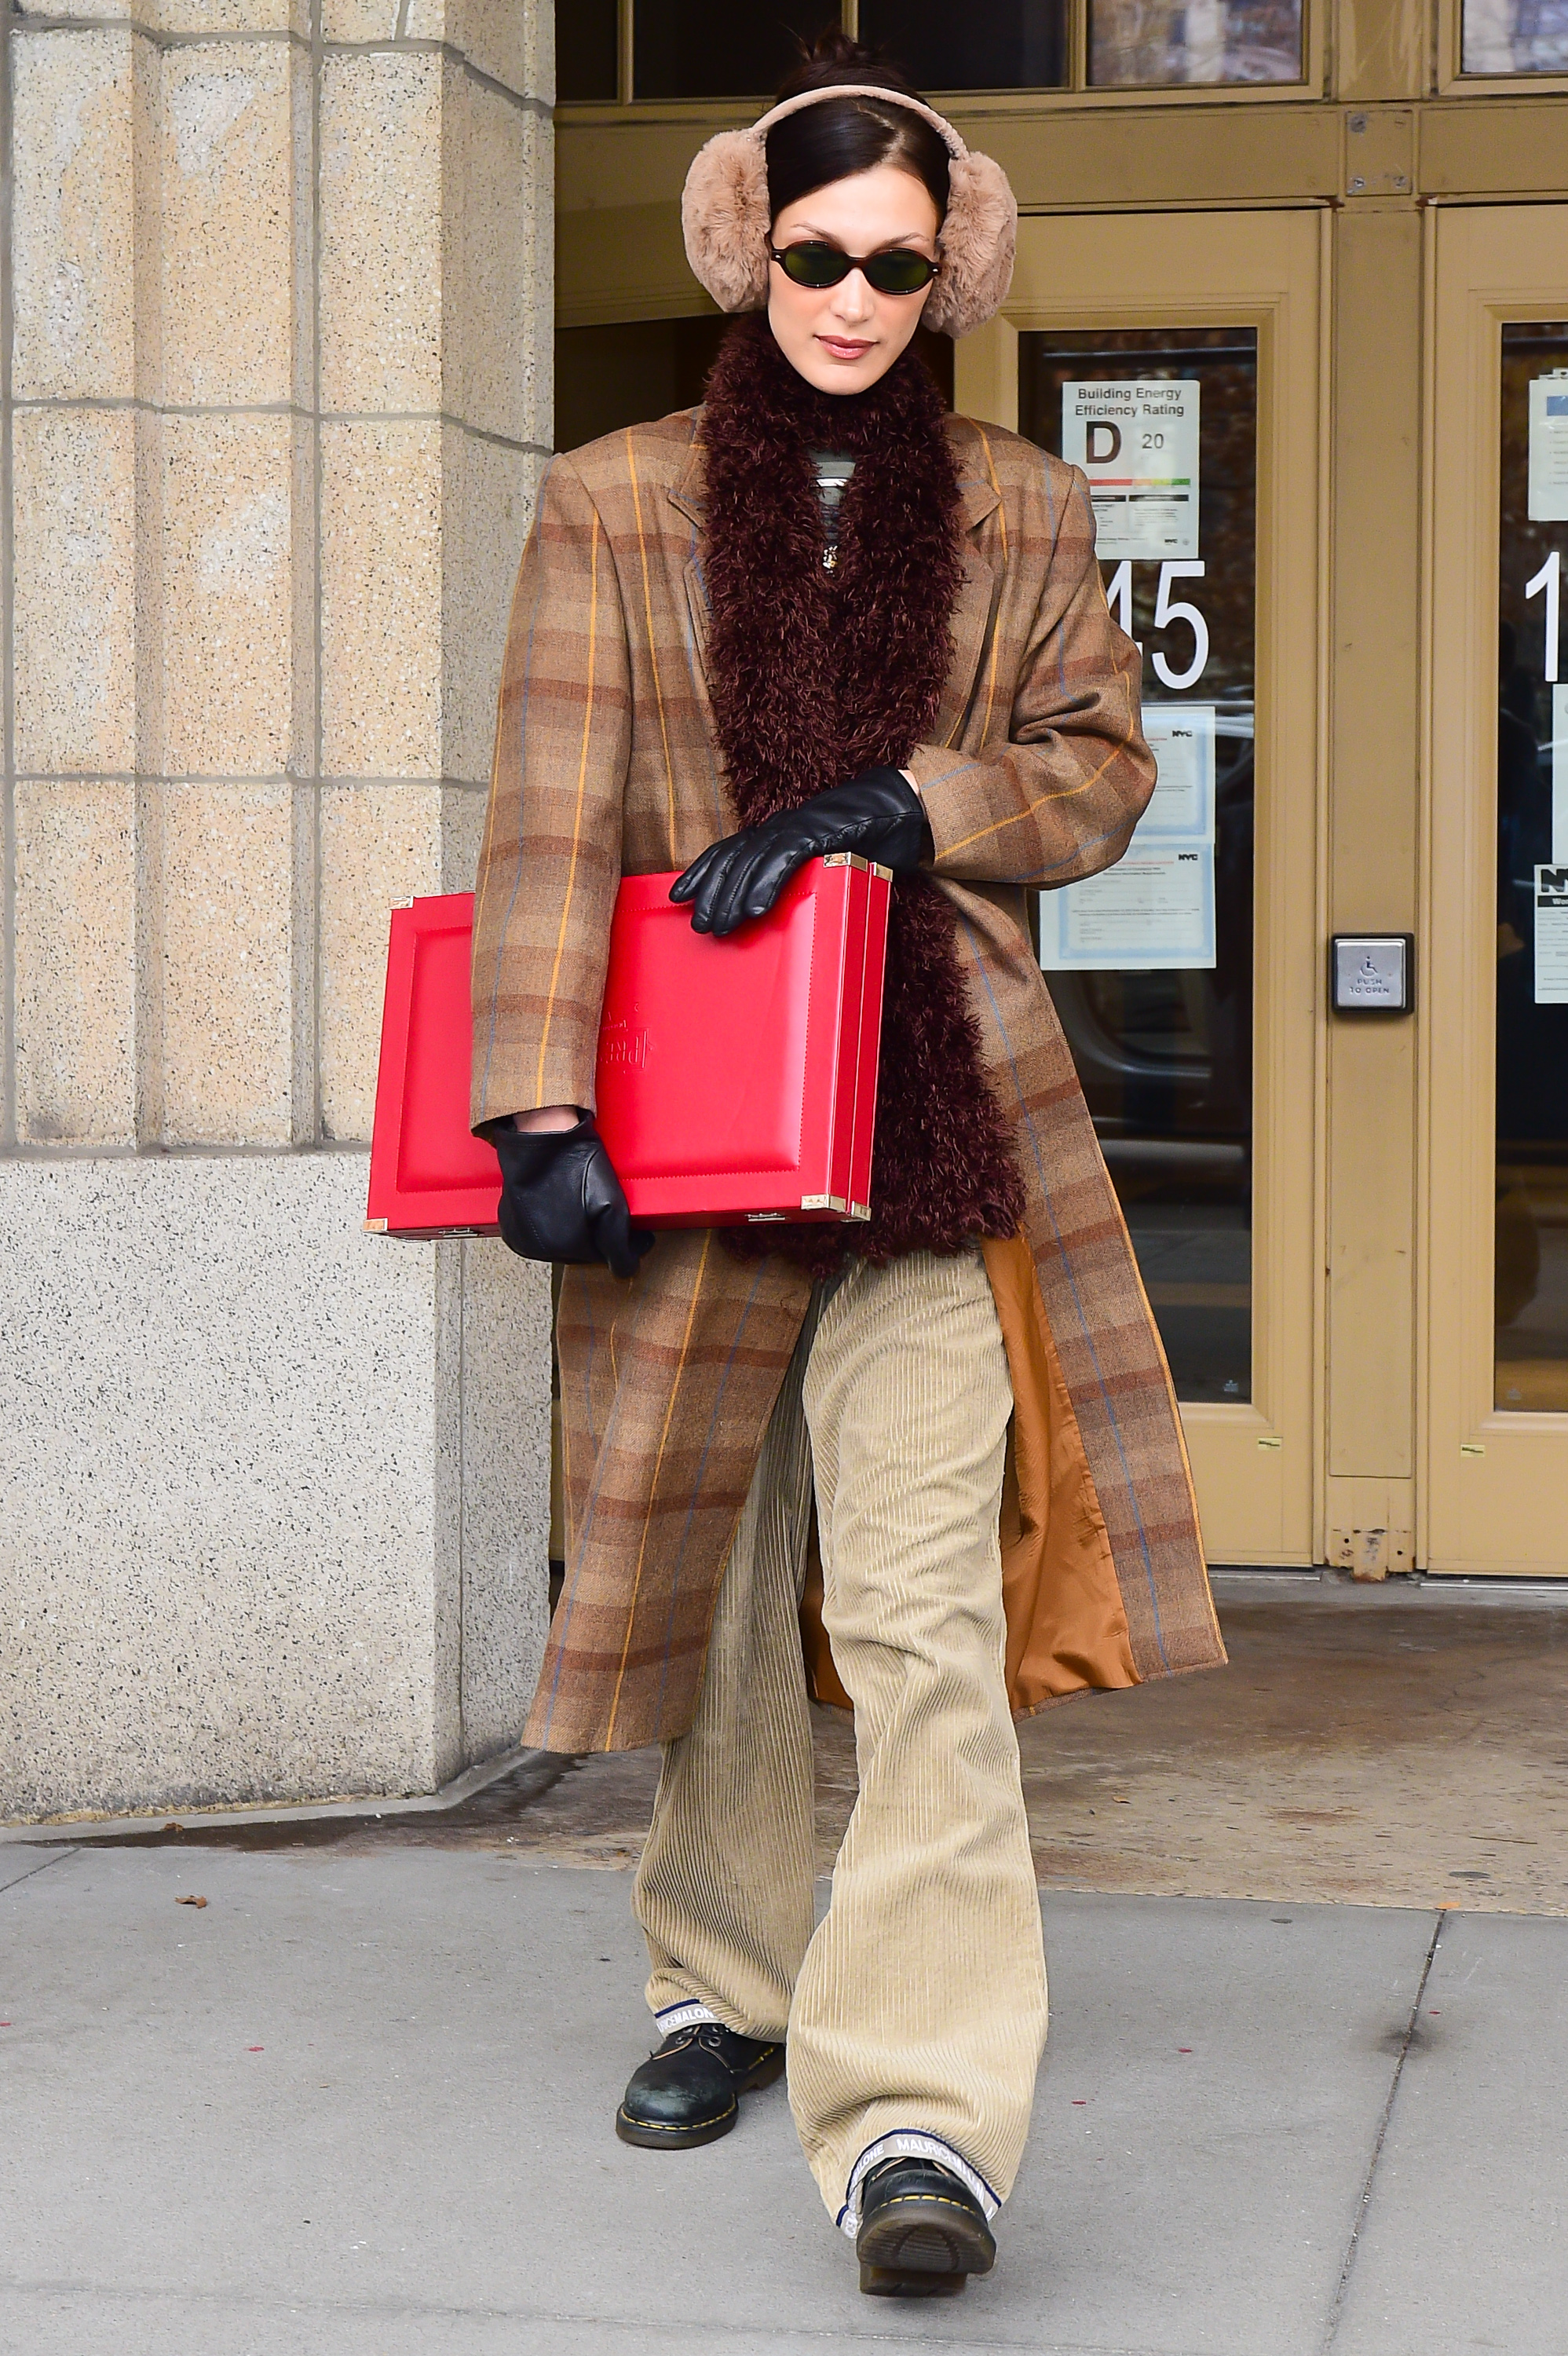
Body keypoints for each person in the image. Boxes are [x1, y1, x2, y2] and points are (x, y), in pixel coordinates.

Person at [470, 30, 1223, 2299]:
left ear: (950, 268)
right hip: (691, 1127)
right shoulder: (615, 496)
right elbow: (542, 814)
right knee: (714, 1597)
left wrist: (911, 802)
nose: (853, 294)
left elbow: (1098, 770)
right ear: (748, 244)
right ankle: (726, 1978)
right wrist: (534, 1109)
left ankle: (919, 2118)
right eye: (816, 250)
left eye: (898, 260)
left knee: (918, 1629)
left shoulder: (1016, 507)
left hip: (926, 1124)